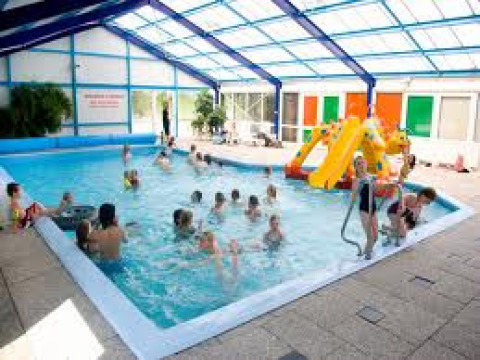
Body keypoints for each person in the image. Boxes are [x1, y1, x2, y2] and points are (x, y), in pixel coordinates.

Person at [351, 156, 378, 260]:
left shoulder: (371, 177)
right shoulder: (357, 180)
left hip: (373, 208)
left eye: (363, 163)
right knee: (370, 236)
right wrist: (359, 185)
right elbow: (353, 197)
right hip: (364, 210)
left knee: (375, 237)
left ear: (366, 164)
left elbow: (376, 190)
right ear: (356, 168)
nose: (361, 165)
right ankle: (366, 257)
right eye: (358, 164)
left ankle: (365, 252)